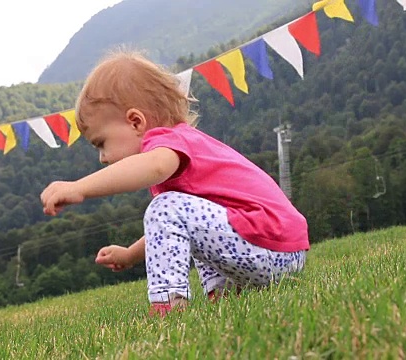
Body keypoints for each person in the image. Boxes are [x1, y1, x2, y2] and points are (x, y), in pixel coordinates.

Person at [40, 50, 310, 316]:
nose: (102, 158)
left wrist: (79, 188)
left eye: (101, 144)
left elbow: (154, 173)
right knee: (179, 215)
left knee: (165, 207)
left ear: (136, 122)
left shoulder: (169, 146)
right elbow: (169, 231)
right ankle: (229, 297)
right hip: (281, 249)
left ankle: (168, 307)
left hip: (271, 246)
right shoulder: (181, 146)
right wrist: (130, 255)